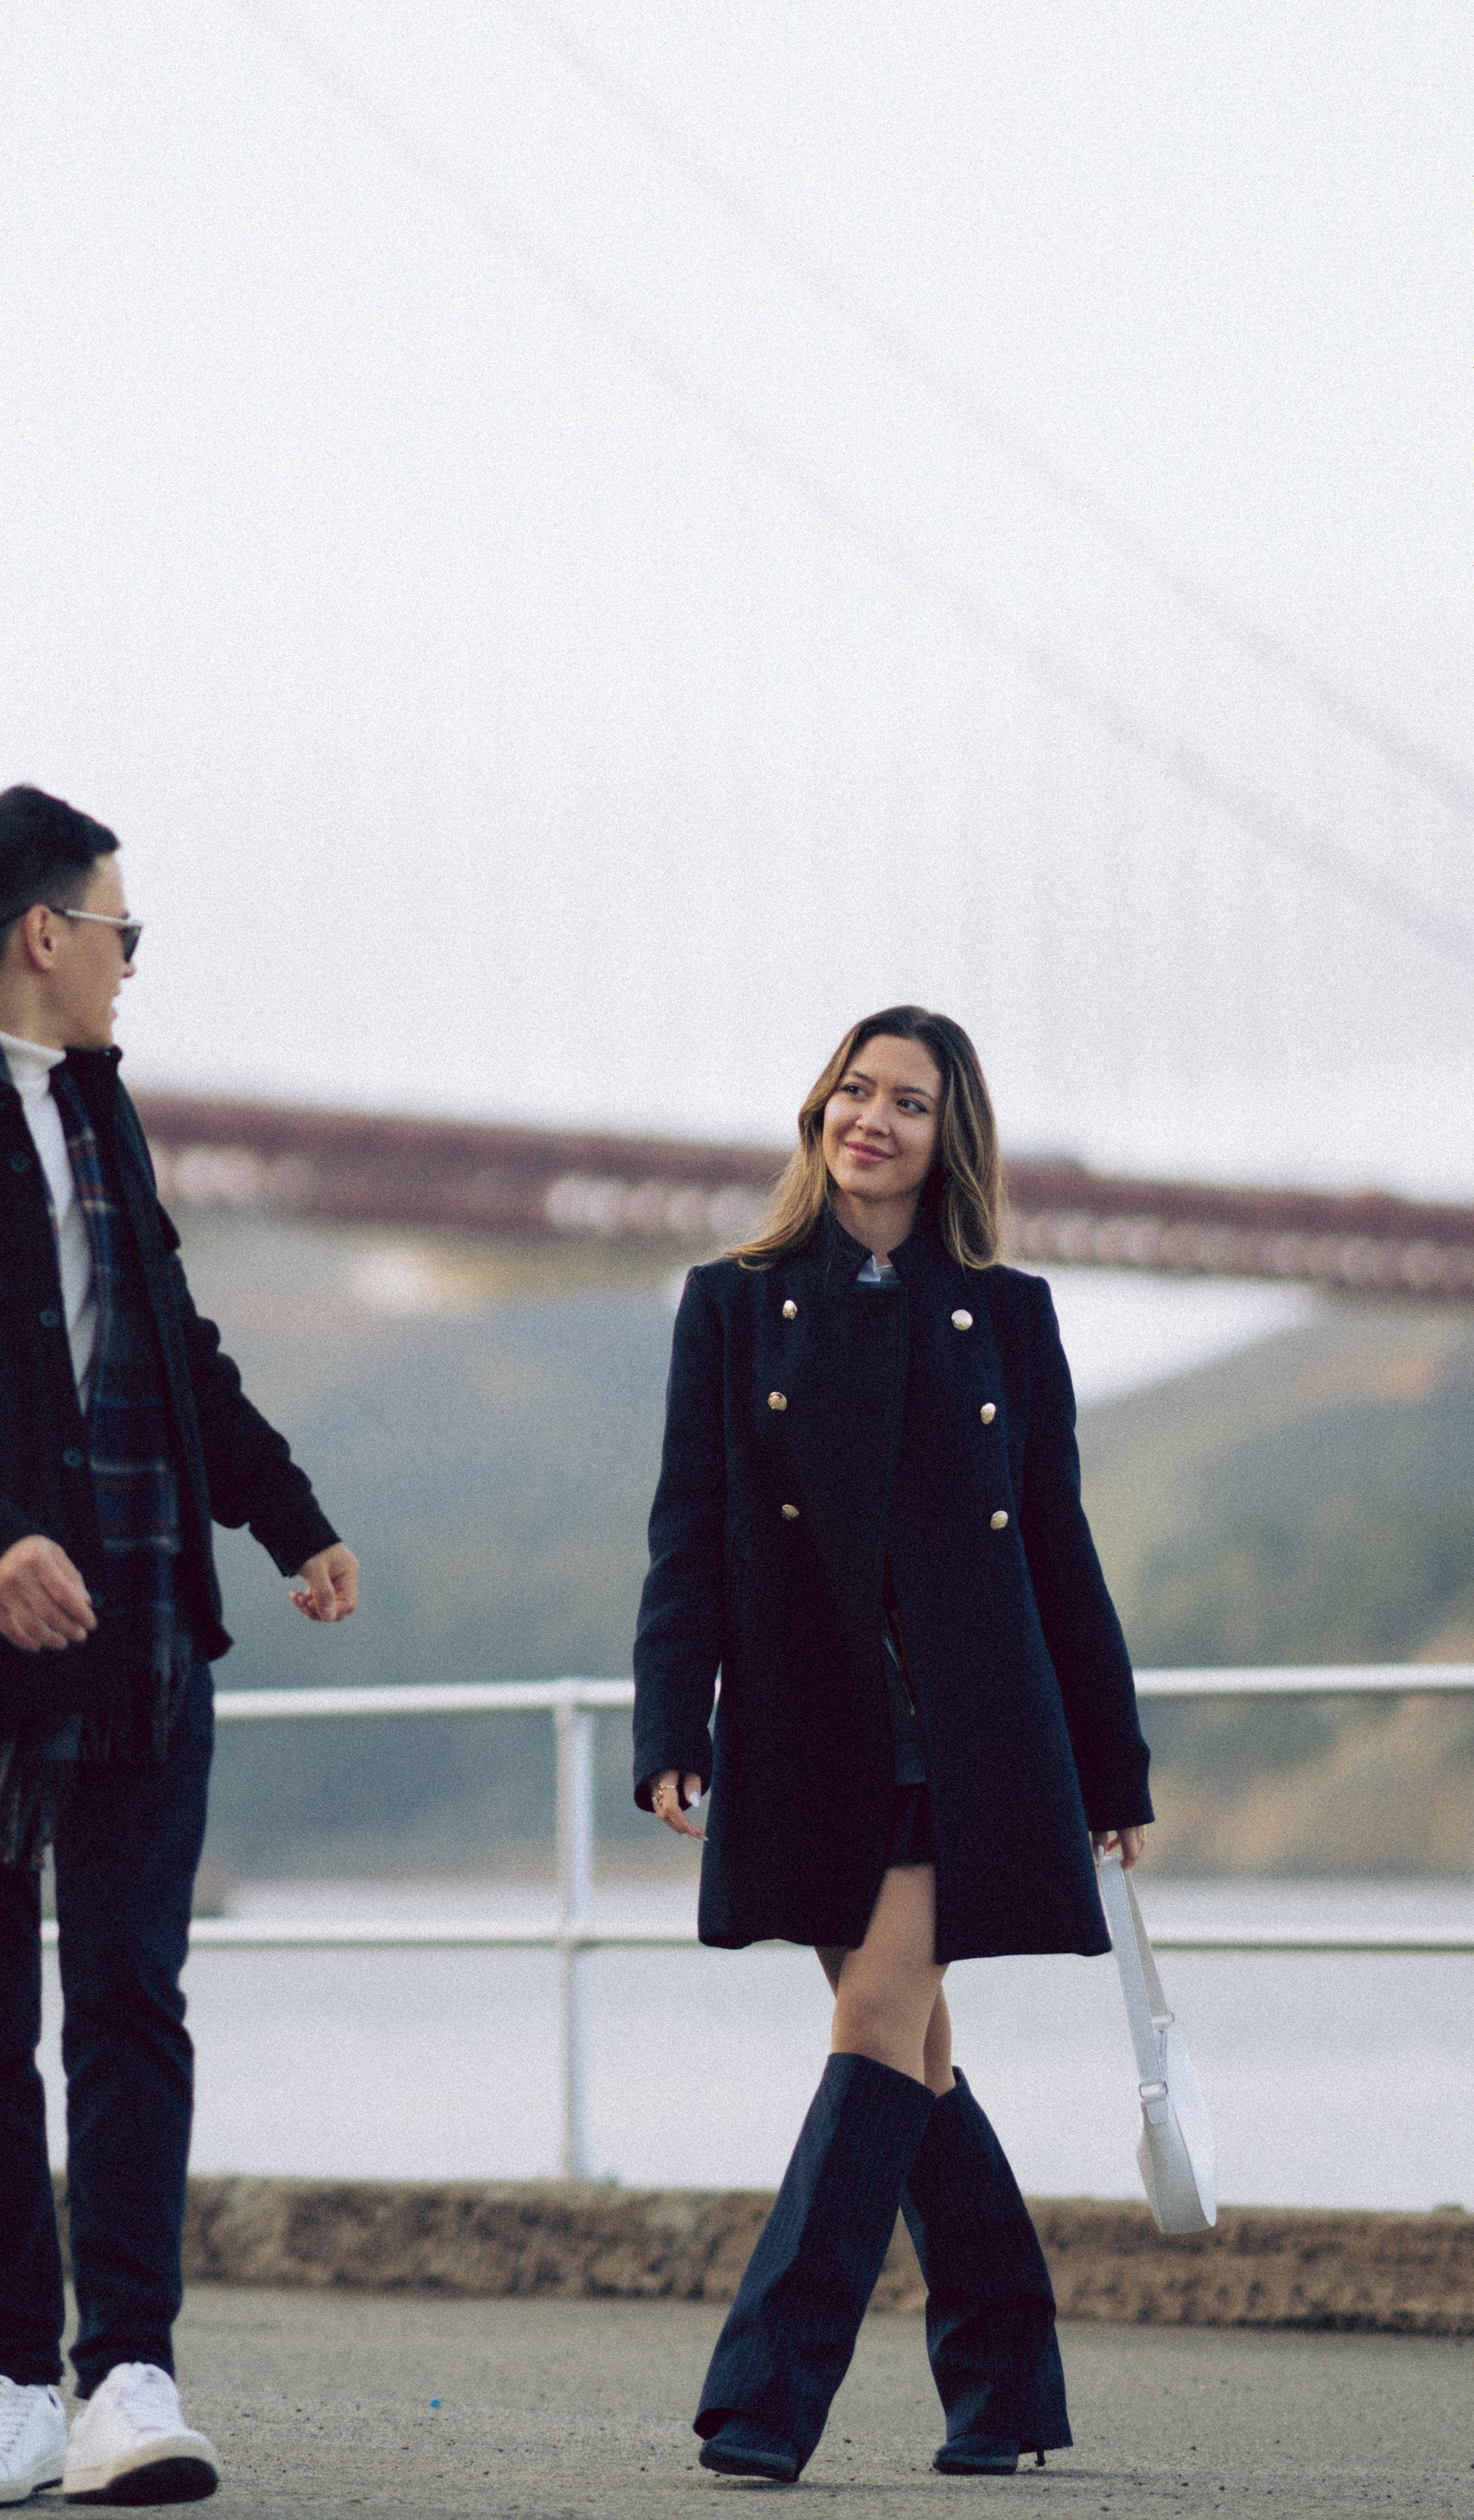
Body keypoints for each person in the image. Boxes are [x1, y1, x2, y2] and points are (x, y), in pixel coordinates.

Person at [0, 786, 359, 2509]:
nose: (128, 966)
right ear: (42, 934)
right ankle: (4, 2387)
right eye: (120, 930)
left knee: (128, 2004)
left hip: (142, 1636)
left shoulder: (108, 1124)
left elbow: (171, 1344)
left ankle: (127, 2377)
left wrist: (286, 1512)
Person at [632, 1004, 1150, 2486]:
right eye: (854, 1090)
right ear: (820, 1112)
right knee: (912, 2055)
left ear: (948, 1137)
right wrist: (674, 1717)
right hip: (806, 1726)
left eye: (909, 1102)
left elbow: (1057, 1545)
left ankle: (763, 2399)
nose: (873, 1118)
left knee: (871, 2026)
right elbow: (691, 1531)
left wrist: (1111, 1766)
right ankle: (1005, 2387)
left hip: (967, 1735)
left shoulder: (1008, 1309)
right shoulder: (731, 1303)